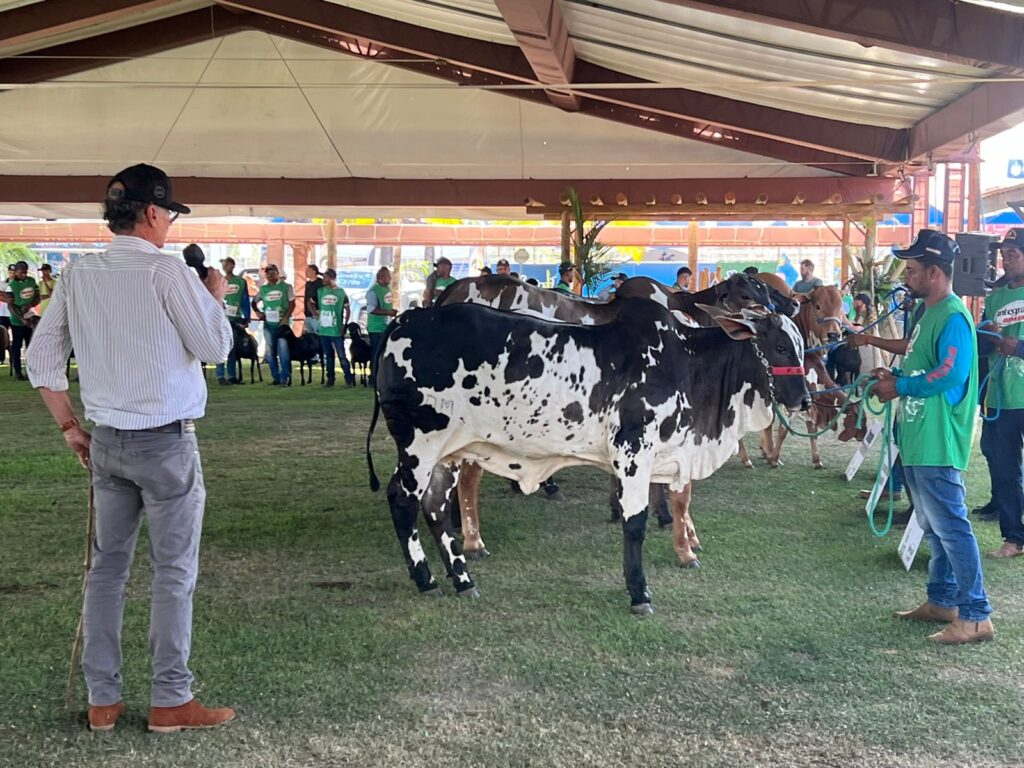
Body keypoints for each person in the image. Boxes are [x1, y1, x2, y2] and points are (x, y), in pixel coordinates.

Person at [27, 163, 236, 731]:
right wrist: (213, 295)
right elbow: (215, 347)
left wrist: (70, 427)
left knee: (107, 571)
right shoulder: (169, 274)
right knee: (172, 572)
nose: (169, 223)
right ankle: (171, 699)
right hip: (166, 445)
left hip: (108, 443)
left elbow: (39, 360)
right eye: (167, 212)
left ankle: (104, 701)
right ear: (150, 212)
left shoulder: (76, 275)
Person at [872, 228, 993, 644]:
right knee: (934, 524)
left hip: (939, 439)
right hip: (921, 436)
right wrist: (896, 376)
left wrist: (901, 387)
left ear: (936, 273)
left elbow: (951, 374)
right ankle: (942, 600)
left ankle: (975, 614)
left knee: (951, 525)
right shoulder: (931, 314)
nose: (906, 276)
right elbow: (927, 367)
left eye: (913, 269)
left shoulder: (954, 316)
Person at [977, 227, 1024, 557]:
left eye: (1013, 253)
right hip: (999, 396)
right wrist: (987, 334)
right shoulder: (994, 297)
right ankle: (1013, 537)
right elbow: (978, 345)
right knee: (1003, 467)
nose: (1005, 258)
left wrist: (1019, 346)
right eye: (1004, 253)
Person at [252, 263, 294, 386]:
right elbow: (254, 302)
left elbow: (292, 303)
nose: (270, 276)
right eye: (267, 274)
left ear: (277, 273)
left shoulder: (286, 287)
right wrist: (258, 313)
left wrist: (286, 318)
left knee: (284, 351)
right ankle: (276, 376)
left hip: (282, 324)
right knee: (270, 352)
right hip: (269, 324)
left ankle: (285, 376)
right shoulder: (263, 289)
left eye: (272, 273)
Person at [213, 254, 250, 385]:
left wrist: (247, 317)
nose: (225, 267)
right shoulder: (218, 280)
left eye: (227, 264)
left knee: (233, 347)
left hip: (235, 318)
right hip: (221, 318)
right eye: (223, 265)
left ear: (233, 265)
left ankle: (231, 375)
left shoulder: (240, 282)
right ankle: (220, 375)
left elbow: (245, 300)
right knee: (221, 346)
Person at [318, 268, 355, 387]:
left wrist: (344, 325)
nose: (323, 279)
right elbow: (310, 302)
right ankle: (330, 378)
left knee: (342, 355)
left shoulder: (340, 292)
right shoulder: (320, 291)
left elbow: (348, 309)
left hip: (336, 329)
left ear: (332, 278)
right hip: (324, 329)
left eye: (325, 277)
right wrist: (315, 313)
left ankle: (348, 378)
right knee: (328, 356)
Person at [4, 260, 40, 381]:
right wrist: (21, 318)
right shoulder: (11, 285)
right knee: (17, 346)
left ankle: (32, 371)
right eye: (21, 272)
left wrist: (30, 305)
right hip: (17, 321)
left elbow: (37, 297)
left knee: (31, 346)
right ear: (16, 271)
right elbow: (10, 305)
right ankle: (18, 372)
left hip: (30, 318)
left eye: (25, 272)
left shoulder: (31, 281)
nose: (24, 274)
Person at [366, 266, 397, 387]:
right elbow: (371, 309)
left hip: (386, 325)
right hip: (376, 327)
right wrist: (388, 312)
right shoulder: (373, 291)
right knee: (376, 353)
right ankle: (373, 379)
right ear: (380, 277)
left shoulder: (388, 289)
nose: (389, 278)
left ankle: (383, 377)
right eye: (387, 276)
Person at [303, 264, 323, 335]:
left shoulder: (321, 283)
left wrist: (316, 313)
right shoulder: (307, 283)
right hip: (307, 314)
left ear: (314, 271)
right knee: (309, 336)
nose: (306, 272)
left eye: (308, 271)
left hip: (316, 313)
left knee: (318, 335)